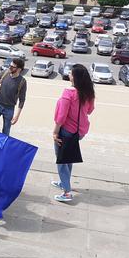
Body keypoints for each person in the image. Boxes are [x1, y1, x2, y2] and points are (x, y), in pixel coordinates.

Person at [51, 64, 95, 202]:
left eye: (70, 73)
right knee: (68, 157)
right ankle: (65, 182)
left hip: (67, 131)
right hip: (80, 131)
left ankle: (67, 192)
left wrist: (54, 132)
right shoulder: (88, 92)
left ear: (74, 77)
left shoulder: (68, 93)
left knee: (61, 161)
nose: (69, 74)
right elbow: (89, 110)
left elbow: (61, 116)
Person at [0, 58, 27, 136]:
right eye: (9, 65)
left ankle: (3, 145)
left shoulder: (22, 82)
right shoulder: (4, 73)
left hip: (9, 108)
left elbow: (22, 100)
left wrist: (17, 116)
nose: (9, 68)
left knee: (6, 131)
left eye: (12, 67)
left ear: (19, 69)